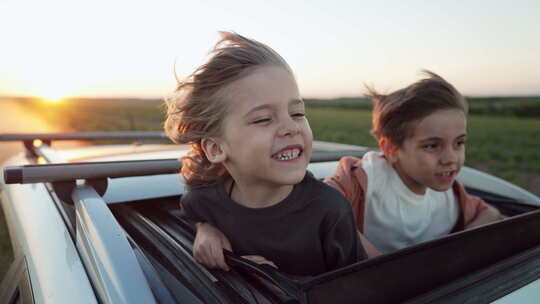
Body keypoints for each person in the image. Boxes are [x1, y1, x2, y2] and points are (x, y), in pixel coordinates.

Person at [164, 32, 367, 276]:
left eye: (297, 114)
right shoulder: (205, 199)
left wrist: (282, 284)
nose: (291, 127)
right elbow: (192, 211)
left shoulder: (329, 211)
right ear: (216, 149)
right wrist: (204, 229)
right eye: (263, 119)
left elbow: (359, 289)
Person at [325, 70, 501, 253]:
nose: (451, 158)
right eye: (432, 146)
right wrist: (378, 265)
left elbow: (490, 213)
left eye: (459, 143)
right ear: (390, 149)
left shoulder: (452, 193)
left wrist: (455, 250)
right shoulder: (363, 180)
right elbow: (320, 207)